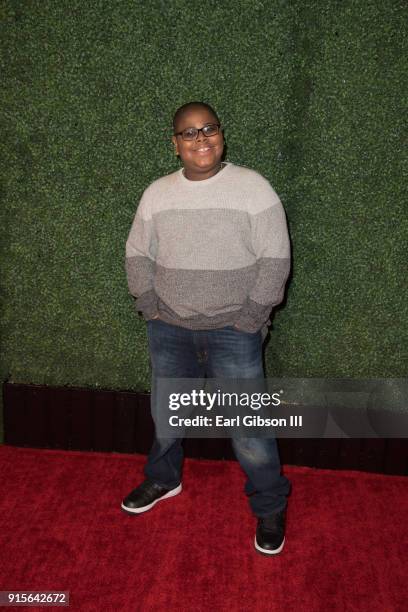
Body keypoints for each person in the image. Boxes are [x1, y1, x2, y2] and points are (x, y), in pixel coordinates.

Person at [122, 101, 292, 556]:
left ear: (222, 135)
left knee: (248, 426)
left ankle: (270, 505)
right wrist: (150, 306)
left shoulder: (253, 188)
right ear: (174, 144)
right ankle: (163, 479)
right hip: (169, 327)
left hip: (235, 330)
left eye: (208, 129)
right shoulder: (157, 193)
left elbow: (276, 259)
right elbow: (138, 253)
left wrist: (251, 319)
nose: (201, 140)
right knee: (167, 415)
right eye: (189, 133)